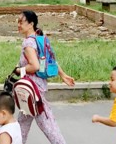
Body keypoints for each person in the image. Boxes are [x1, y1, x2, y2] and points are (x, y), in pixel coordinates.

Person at [15, 10, 75, 144]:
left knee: (48, 124)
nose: (18, 24)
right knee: (23, 123)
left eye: (21, 22)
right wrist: (63, 75)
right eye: (17, 22)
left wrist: (20, 70)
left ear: (31, 24)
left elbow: (35, 66)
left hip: (32, 90)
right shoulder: (40, 38)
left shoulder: (28, 43)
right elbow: (50, 61)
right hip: (37, 88)